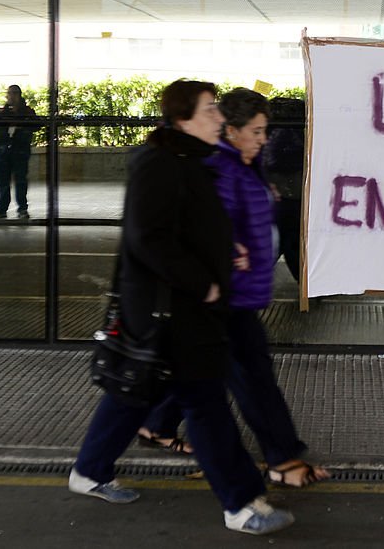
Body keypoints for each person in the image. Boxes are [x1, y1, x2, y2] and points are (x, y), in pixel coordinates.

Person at [69, 80, 294, 536]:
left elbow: (188, 226)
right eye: (210, 109)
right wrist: (206, 283)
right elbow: (147, 238)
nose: (218, 118)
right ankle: (241, 503)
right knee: (205, 403)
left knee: (135, 393)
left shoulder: (193, 161)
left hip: (178, 308)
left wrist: (227, 249)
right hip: (171, 308)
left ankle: (89, 471)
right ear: (184, 117)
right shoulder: (160, 164)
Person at [141, 88, 329, 488]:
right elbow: (208, 225)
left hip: (239, 294)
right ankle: (277, 463)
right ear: (233, 130)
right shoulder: (222, 169)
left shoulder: (248, 164)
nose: (265, 139)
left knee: (214, 378)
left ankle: (154, 424)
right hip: (228, 297)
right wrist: (229, 251)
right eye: (258, 131)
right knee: (251, 381)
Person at [261, 97, 305, 283]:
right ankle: (309, 287)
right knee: (292, 243)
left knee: (278, 243)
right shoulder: (300, 129)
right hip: (295, 194)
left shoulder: (271, 130)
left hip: (277, 193)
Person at [0, 84, 37, 220]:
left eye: (14, 93)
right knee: (3, 181)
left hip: (20, 150)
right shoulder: (1, 112)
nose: (11, 96)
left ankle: (22, 209)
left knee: (21, 180)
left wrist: (22, 125)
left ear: (19, 95)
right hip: (3, 150)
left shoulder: (27, 112)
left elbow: (37, 125)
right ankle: (2, 209)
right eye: (9, 93)